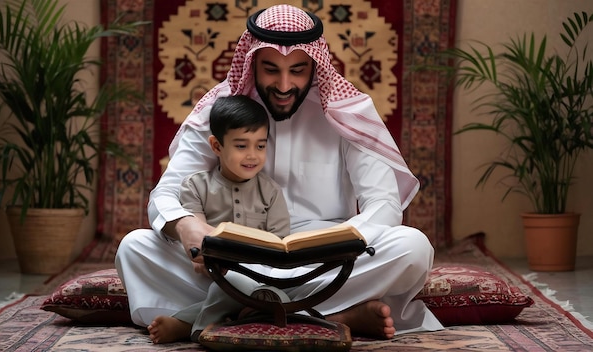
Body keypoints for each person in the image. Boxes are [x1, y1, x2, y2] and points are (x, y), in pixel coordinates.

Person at [115, 4, 444, 345]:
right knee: (134, 248)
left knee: (412, 247)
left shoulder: (347, 111)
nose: (285, 85)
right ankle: (327, 315)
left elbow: (385, 203)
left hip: (326, 261)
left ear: (315, 65)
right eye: (271, 69)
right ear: (252, 61)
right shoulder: (224, 109)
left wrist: (343, 241)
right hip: (234, 259)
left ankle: (238, 312)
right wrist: (190, 228)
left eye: (298, 70)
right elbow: (166, 193)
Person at [175, 94, 290, 341]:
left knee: (282, 290)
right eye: (241, 146)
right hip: (213, 271)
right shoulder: (195, 186)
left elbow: (280, 245)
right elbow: (197, 238)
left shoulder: (271, 192)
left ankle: (188, 322)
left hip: (262, 273)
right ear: (216, 146)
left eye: (260, 146)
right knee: (134, 246)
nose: (253, 155)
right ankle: (254, 311)